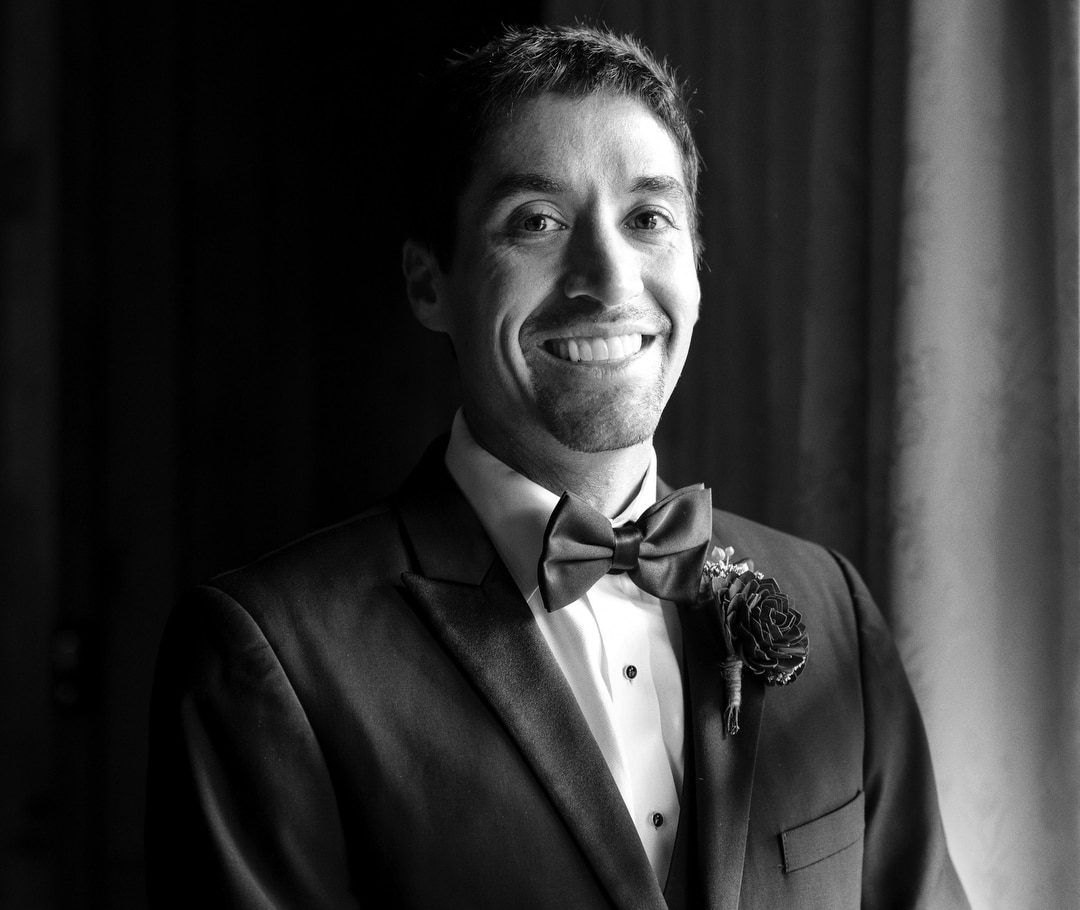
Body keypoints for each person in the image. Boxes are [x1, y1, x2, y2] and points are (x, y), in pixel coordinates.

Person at [145, 24, 970, 910]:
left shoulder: (834, 607)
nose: (607, 280)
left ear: (695, 266)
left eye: (648, 218)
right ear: (430, 284)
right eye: (536, 222)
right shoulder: (266, 654)